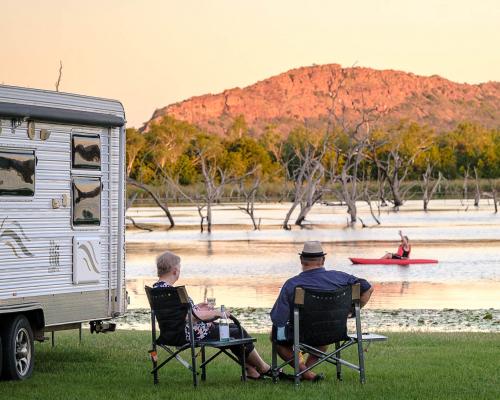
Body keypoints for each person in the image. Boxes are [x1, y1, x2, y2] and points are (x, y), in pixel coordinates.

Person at [153, 250, 272, 380]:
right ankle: (264, 368)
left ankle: (251, 371)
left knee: (231, 329)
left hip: (171, 333)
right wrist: (216, 313)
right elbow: (189, 317)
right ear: (175, 271)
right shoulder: (174, 292)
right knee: (236, 332)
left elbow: (181, 314)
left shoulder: (157, 290)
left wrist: (197, 307)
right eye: (180, 268)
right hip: (188, 334)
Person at [270, 241, 373, 382]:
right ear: (323, 260)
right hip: (334, 332)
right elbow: (368, 288)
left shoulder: (292, 284)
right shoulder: (342, 278)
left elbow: (278, 319)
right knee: (323, 329)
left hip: (304, 334)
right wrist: (353, 312)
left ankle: (304, 373)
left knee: (276, 335)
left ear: (301, 260)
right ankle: (307, 374)